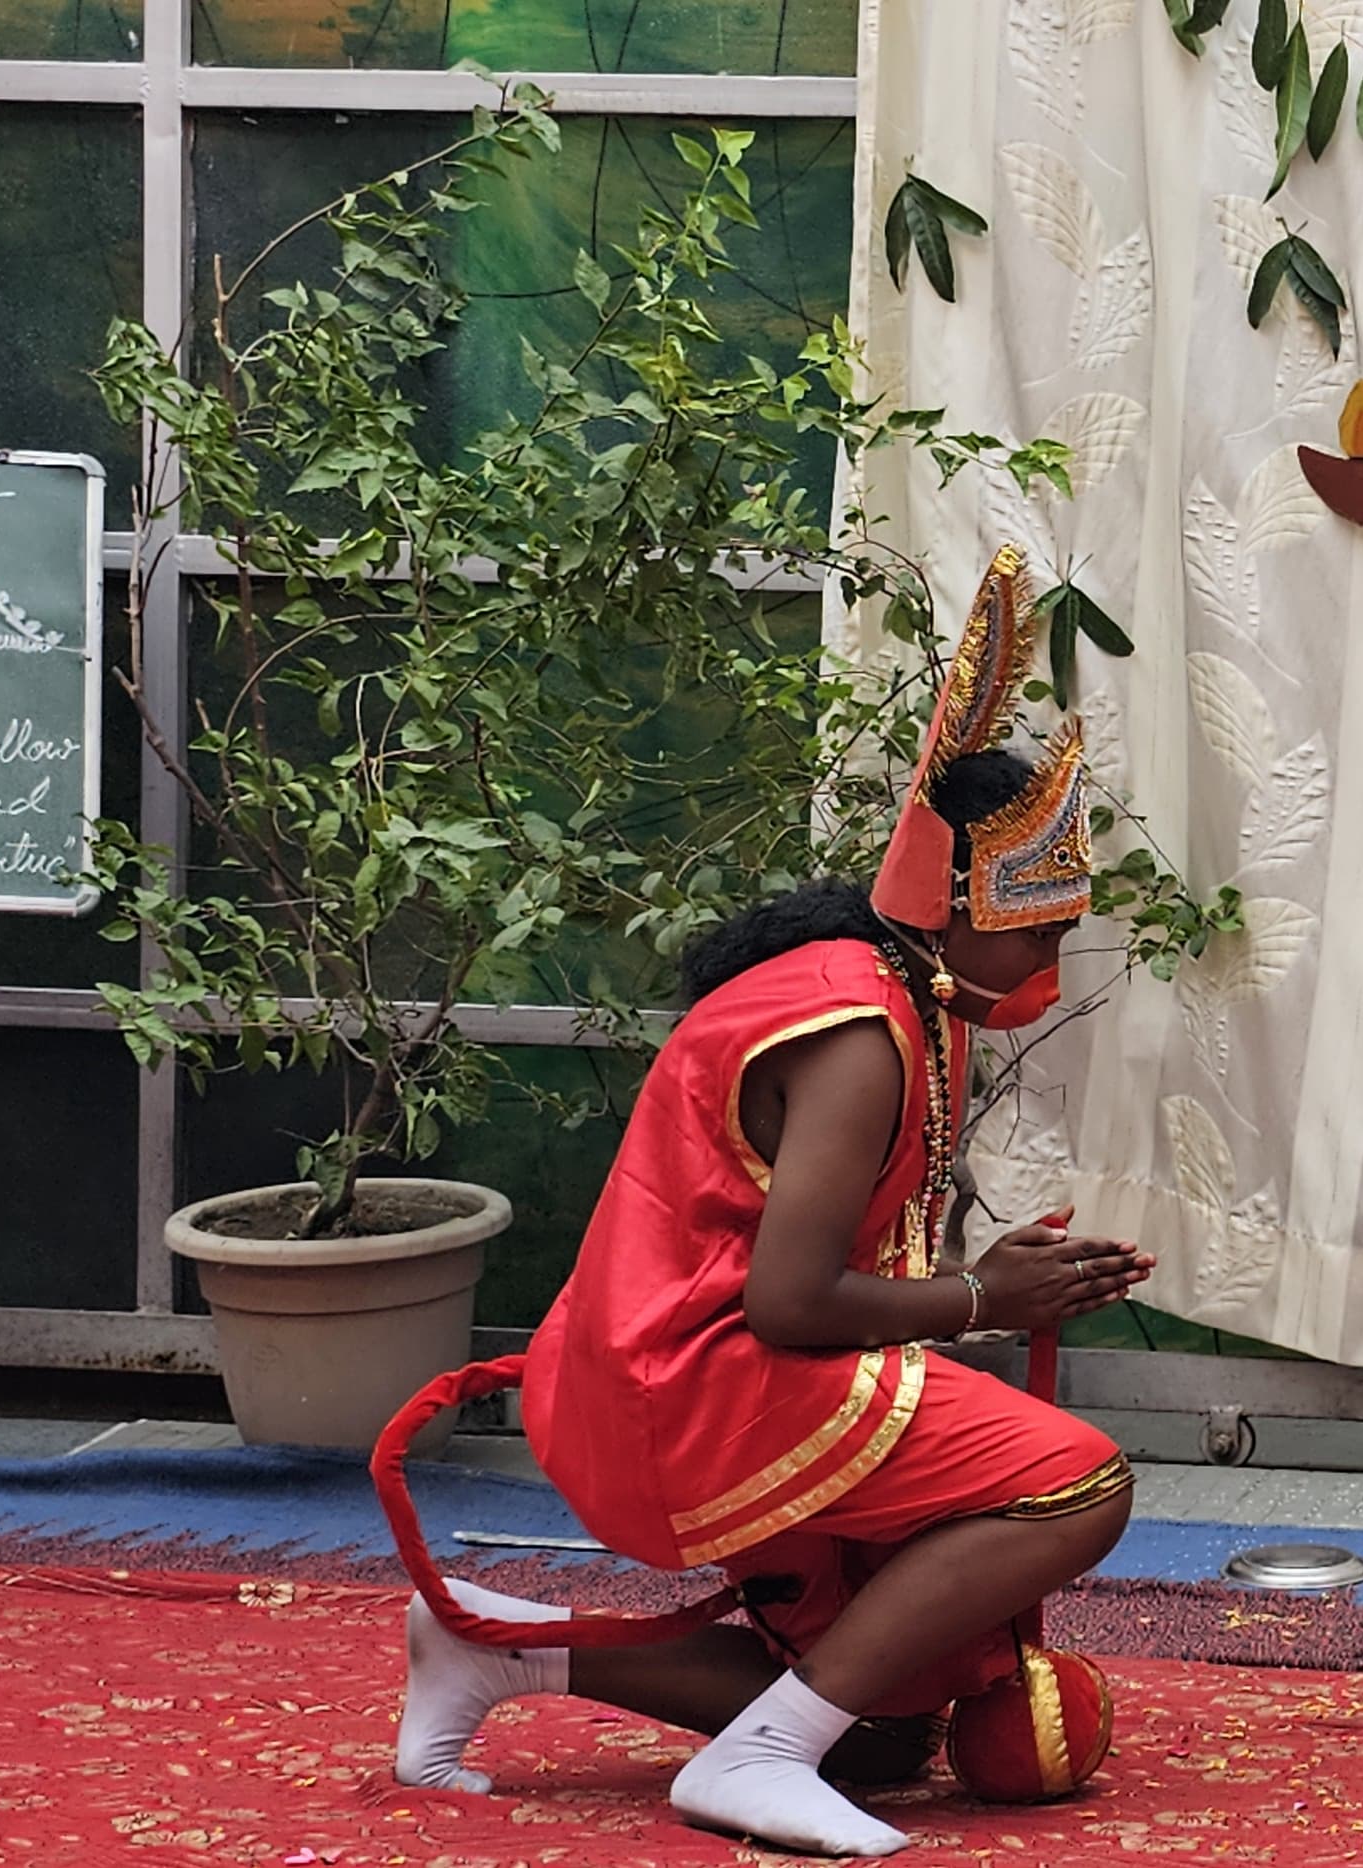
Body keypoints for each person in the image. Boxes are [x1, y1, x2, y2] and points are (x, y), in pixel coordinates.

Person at [380, 549, 1155, 1858]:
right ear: (953, 907)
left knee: (885, 1732)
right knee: (1082, 1484)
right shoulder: (860, 1027)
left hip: (669, 1370)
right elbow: (790, 1302)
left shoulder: (901, 988)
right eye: (1037, 930)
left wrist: (994, 1277)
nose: (1050, 961)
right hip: (691, 1379)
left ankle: (494, 1644)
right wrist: (981, 1295)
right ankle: (757, 1758)